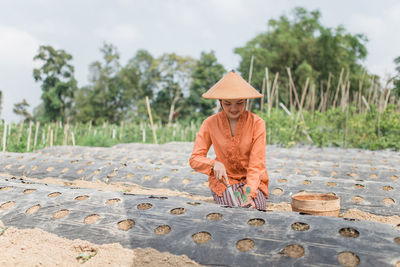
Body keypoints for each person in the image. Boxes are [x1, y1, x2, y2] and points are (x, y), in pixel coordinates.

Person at [189, 70, 269, 210]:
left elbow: (257, 164)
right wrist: (214, 164)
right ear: (220, 102)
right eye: (227, 103)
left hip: (252, 180)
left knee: (254, 208)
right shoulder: (209, 123)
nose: (234, 108)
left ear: (246, 101)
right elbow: (195, 159)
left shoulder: (257, 123)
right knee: (235, 208)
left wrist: (249, 194)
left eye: (239, 103)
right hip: (225, 181)